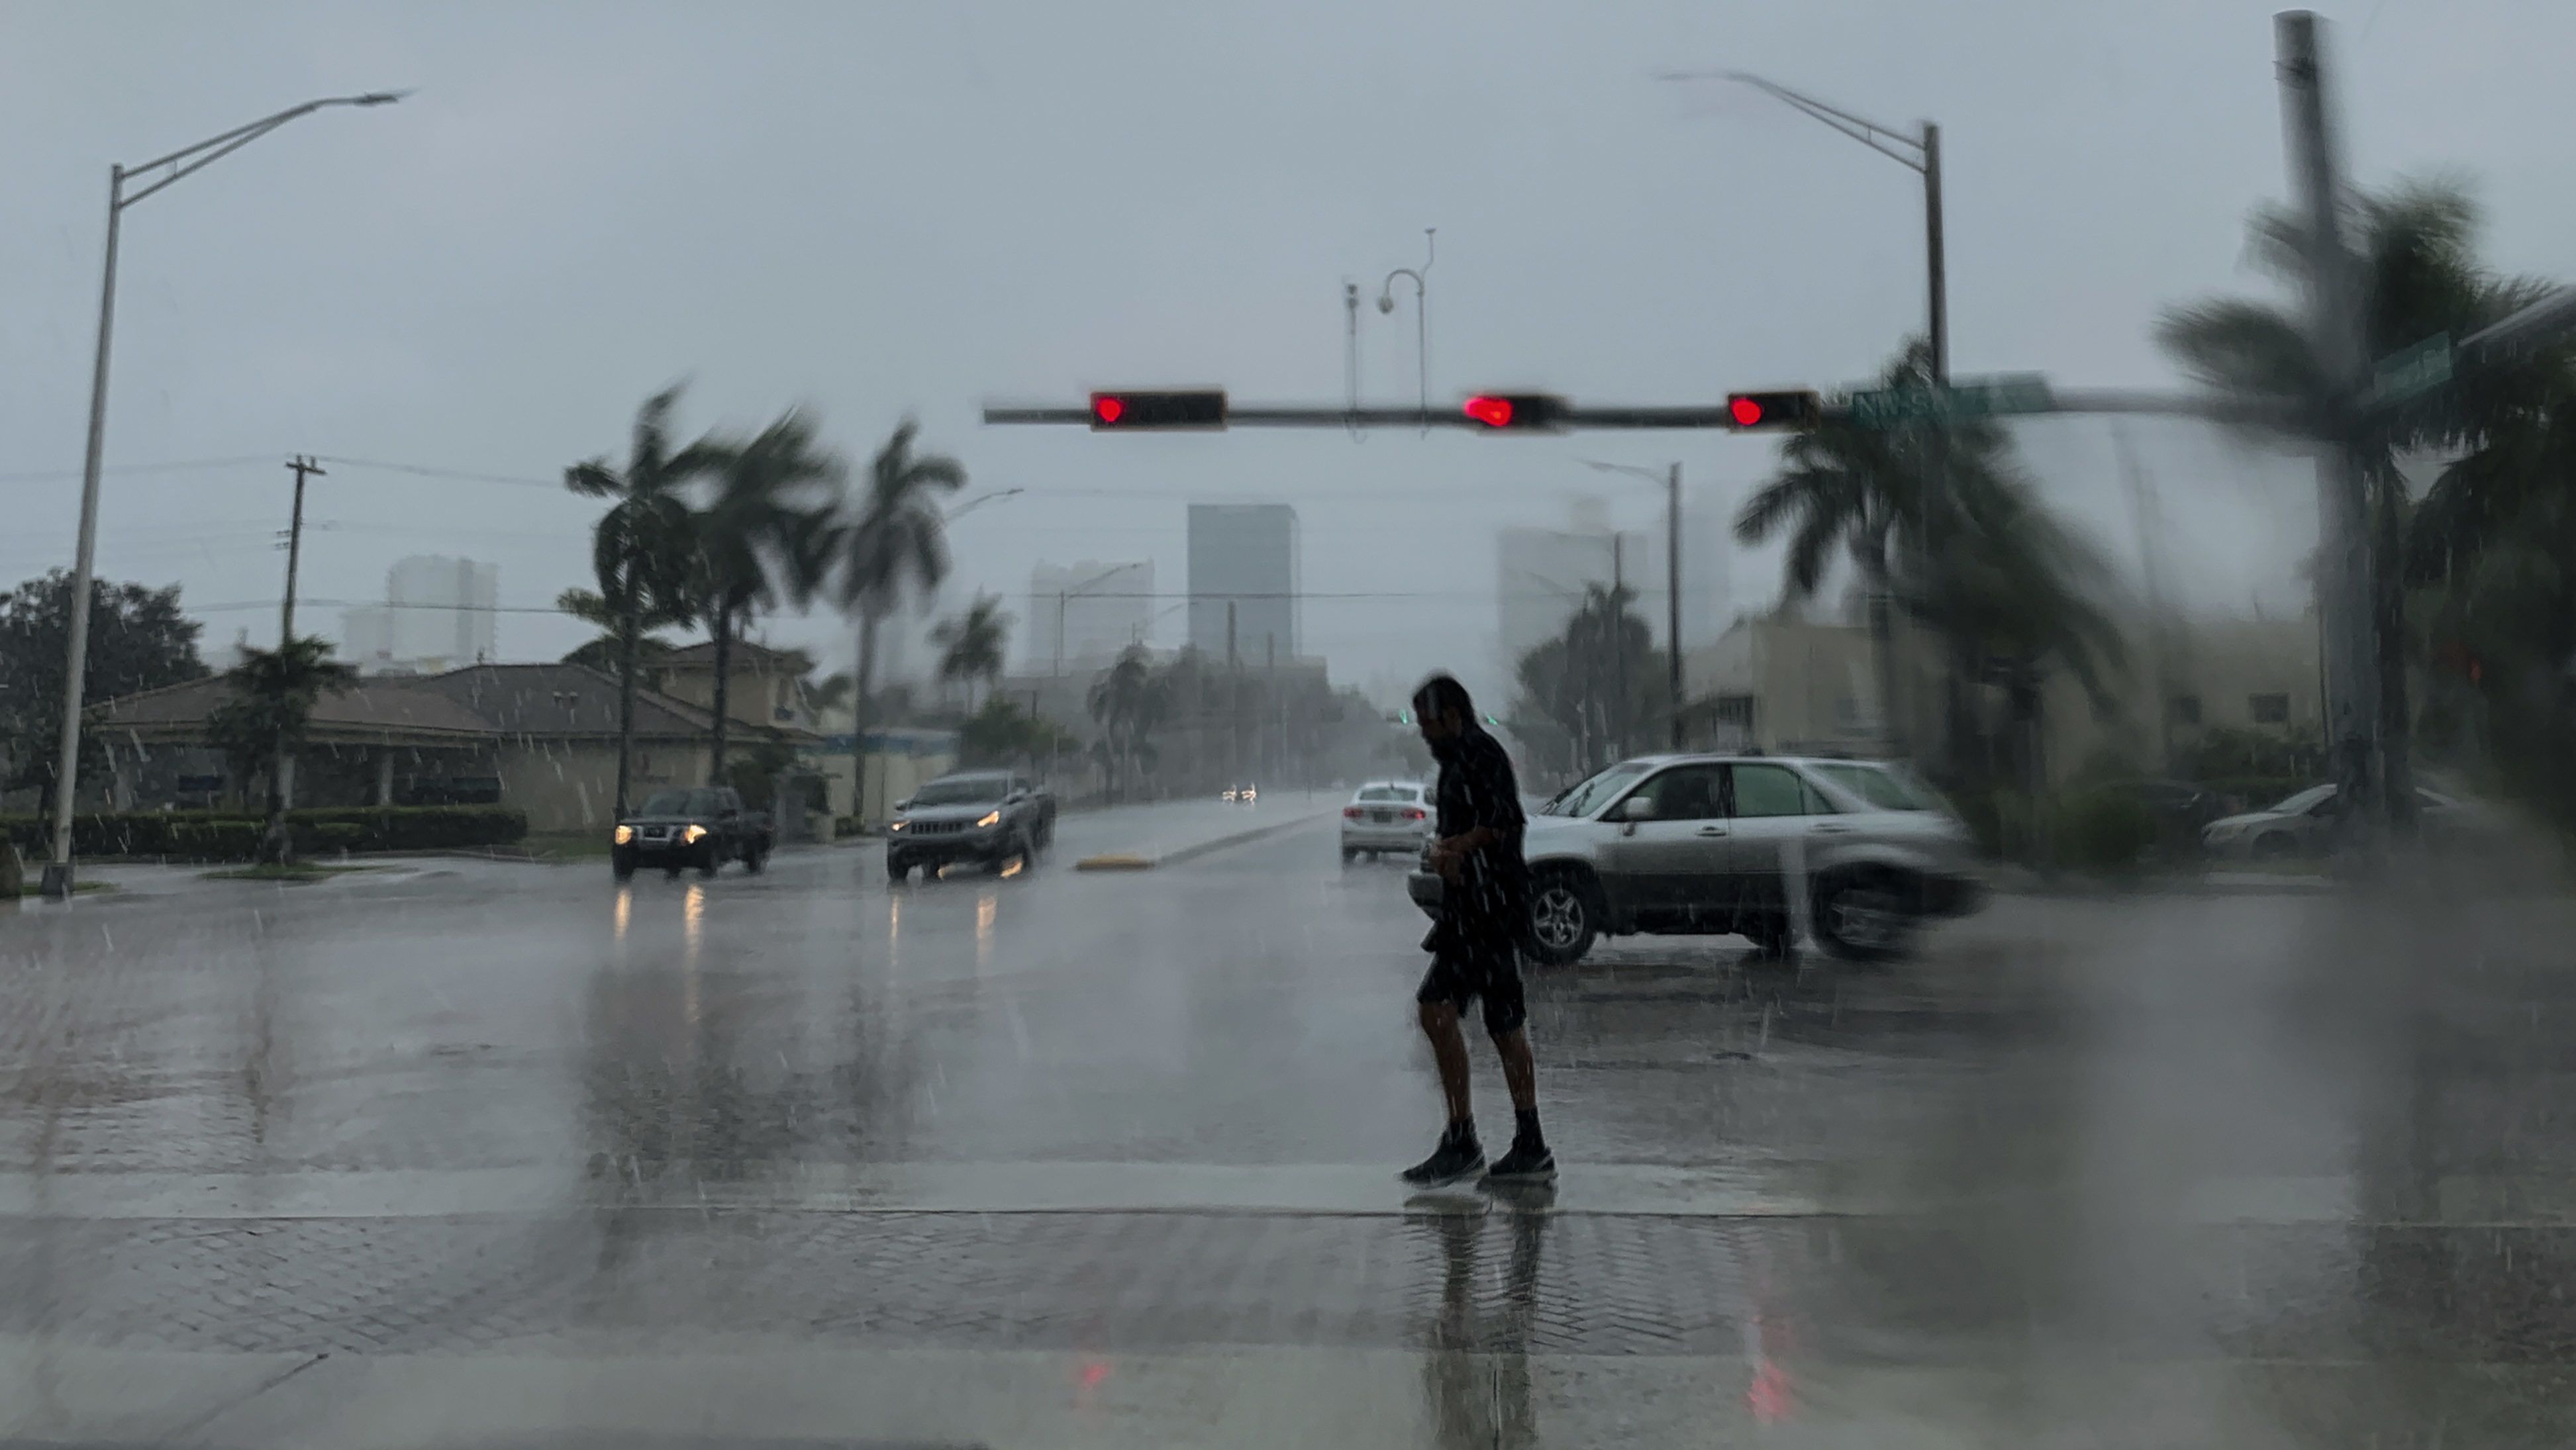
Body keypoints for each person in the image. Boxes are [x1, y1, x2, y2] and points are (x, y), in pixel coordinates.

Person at [1402, 673, 1553, 1186]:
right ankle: (1519, 1141)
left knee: (1441, 1011)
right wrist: (1449, 855)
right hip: (1476, 908)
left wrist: (1457, 848)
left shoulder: (1480, 755)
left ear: (1453, 716)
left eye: (1429, 723)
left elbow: (1507, 821)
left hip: (1487, 911)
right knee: (1497, 1022)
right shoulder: (1455, 762)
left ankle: (1471, 1139)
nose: (1424, 732)